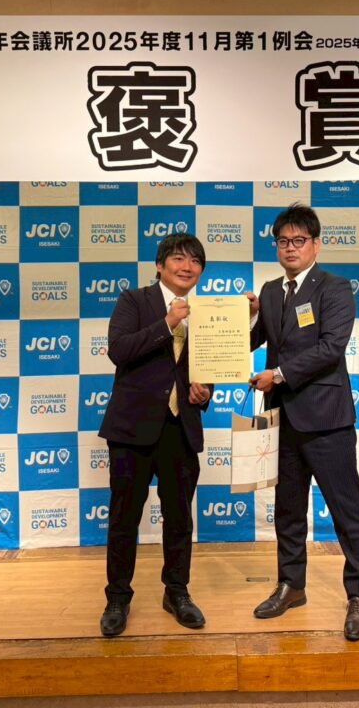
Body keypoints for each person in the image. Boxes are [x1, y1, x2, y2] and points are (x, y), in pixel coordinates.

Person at [246, 203, 359, 641]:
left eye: (299, 240)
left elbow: (331, 348)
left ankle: (358, 597)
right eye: (283, 241)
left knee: (346, 510)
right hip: (282, 420)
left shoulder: (334, 288)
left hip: (327, 420)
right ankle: (291, 585)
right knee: (288, 509)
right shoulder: (270, 291)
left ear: (316, 245)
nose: (290, 247)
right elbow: (251, 339)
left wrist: (278, 374)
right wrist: (245, 316)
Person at [97, 233, 213, 637]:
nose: (187, 266)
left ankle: (177, 592)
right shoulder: (134, 301)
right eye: (178, 258)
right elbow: (119, 350)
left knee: (179, 519)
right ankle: (117, 598)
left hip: (180, 428)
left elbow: (208, 365)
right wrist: (168, 323)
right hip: (132, 429)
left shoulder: (207, 312)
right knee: (124, 518)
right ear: (160, 266)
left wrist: (205, 390)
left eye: (195, 261)